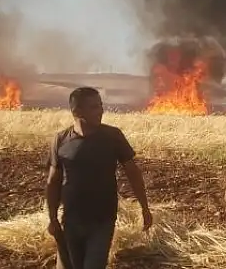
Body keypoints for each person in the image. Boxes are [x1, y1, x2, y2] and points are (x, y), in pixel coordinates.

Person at [46, 87, 152, 269]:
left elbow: (133, 173)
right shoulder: (61, 140)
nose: (101, 111)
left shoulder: (113, 136)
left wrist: (145, 208)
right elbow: (53, 182)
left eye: (100, 105)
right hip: (70, 221)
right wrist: (52, 219)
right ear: (77, 111)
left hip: (102, 220)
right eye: (94, 107)